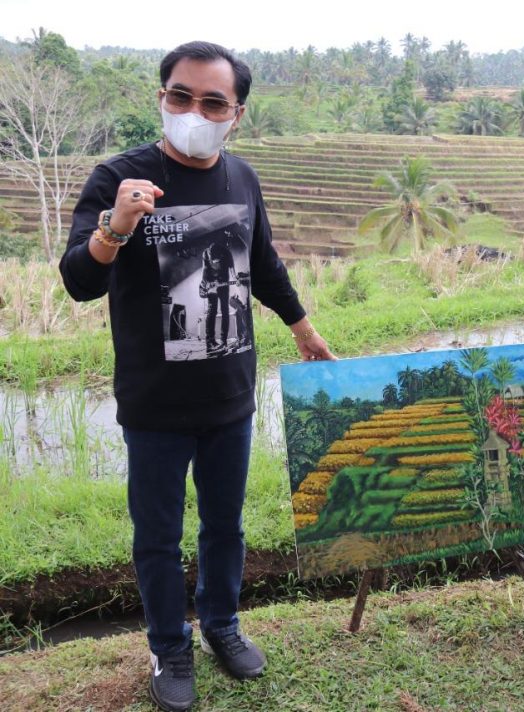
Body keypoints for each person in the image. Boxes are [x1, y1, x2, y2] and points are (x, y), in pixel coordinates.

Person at [59, 41, 336, 711]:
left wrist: (301, 325)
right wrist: (115, 226)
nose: (194, 110)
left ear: (235, 113)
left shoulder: (241, 178)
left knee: (225, 525)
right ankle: (168, 644)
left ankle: (220, 626)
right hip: (155, 403)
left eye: (212, 101)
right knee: (157, 535)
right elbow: (78, 280)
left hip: (229, 395)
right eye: (181, 95)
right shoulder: (118, 179)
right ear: (162, 97)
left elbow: (263, 263)